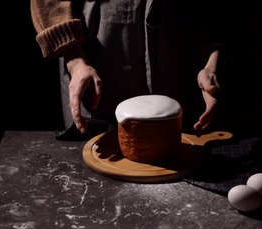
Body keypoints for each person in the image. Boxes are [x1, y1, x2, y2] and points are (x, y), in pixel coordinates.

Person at [30, 0, 224, 140]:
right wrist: (75, 60)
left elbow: (210, 10)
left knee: (174, 154)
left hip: (177, 49)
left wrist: (211, 59)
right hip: (94, 51)